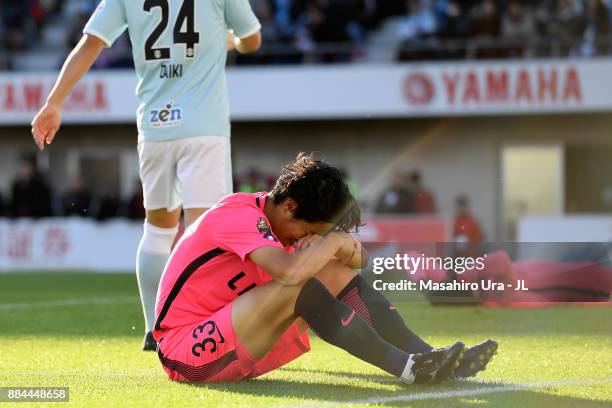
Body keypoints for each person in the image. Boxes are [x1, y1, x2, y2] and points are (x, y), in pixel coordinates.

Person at [31, 0, 262, 350]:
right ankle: (196, 326)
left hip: (154, 128)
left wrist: (54, 102)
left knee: (157, 231)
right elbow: (253, 39)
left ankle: (154, 329)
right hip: (204, 129)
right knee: (205, 234)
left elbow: (90, 43)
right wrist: (231, 41)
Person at [153, 153, 496, 383]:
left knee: (332, 272)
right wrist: (331, 243)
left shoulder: (282, 218)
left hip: (233, 335)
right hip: (186, 351)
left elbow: (360, 261)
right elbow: (288, 274)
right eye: (309, 230)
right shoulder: (238, 216)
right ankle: (407, 369)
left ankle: (431, 358)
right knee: (298, 283)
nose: (308, 238)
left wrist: (334, 242)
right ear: (289, 207)